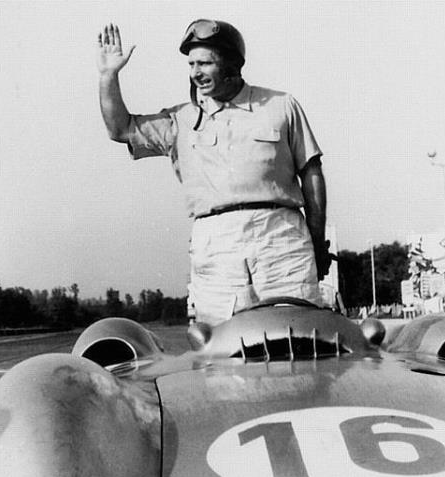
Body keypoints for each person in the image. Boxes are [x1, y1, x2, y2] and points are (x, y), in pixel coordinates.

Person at [96, 20, 332, 325]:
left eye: (205, 63)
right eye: (191, 64)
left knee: (299, 336)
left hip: (281, 240)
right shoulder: (180, 120)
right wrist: (107, 77)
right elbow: (120, 129)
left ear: (233, 64)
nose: (195, 72)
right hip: (216, 247)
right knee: (221, 351)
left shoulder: (281, 106)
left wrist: (315, 240)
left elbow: (312, 173)